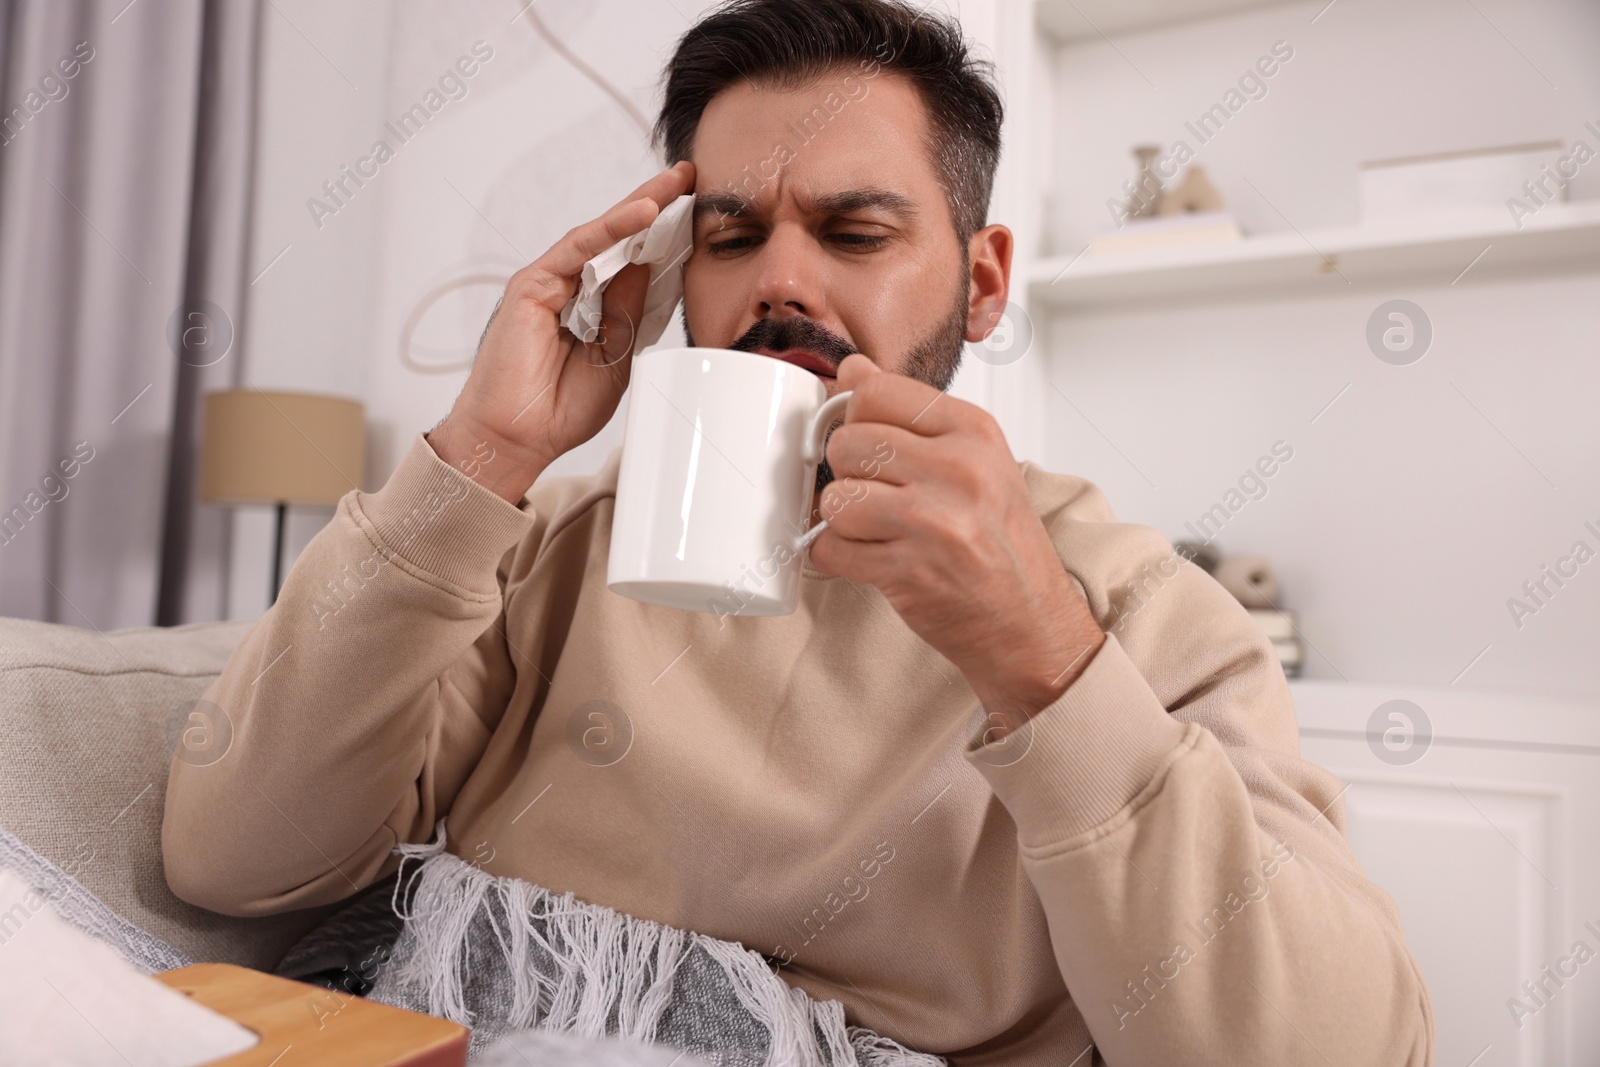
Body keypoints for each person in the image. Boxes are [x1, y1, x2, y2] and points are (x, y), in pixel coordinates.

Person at [163, 0, 1434, 1062]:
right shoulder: (543, 539)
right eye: (730, 233)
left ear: (981, 281)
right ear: (675, 276)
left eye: (851, 231)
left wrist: (1038, 652)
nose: (780, 278)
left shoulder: (1133, 608)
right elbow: (231, 859)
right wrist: (482, 458)